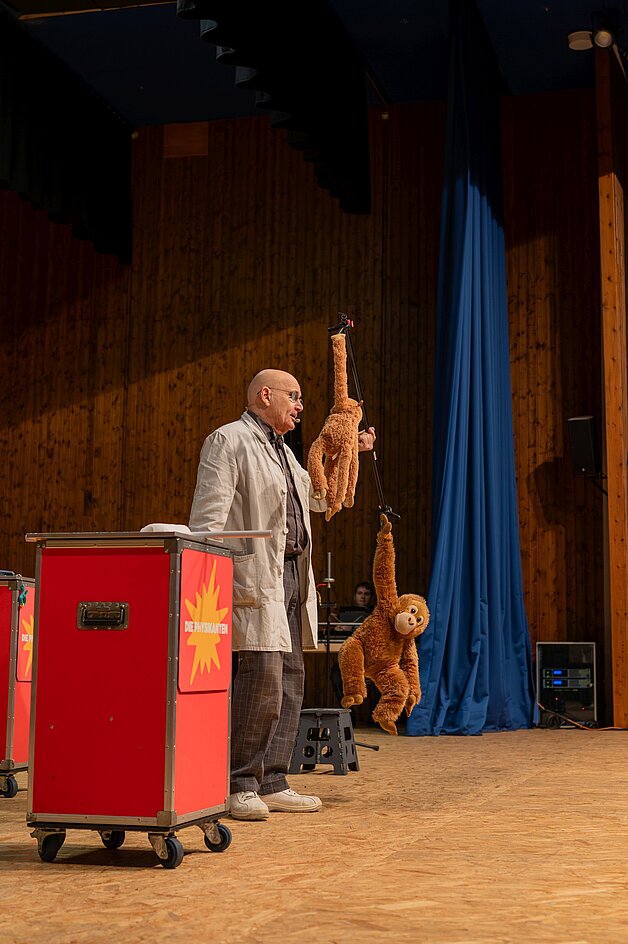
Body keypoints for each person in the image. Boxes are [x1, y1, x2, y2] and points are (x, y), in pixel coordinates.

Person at [189, 368, 375, 821]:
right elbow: (207, 522)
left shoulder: (285, 451)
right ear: (265, 395)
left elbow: (319, 499)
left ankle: (272, 780)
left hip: (291, 574)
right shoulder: (228, 440)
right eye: (294, 396)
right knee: (263, 680)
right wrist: (206, 583)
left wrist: (348, 453)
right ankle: (239, 783)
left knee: (292, 679)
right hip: (253, 577)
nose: (300, 405)